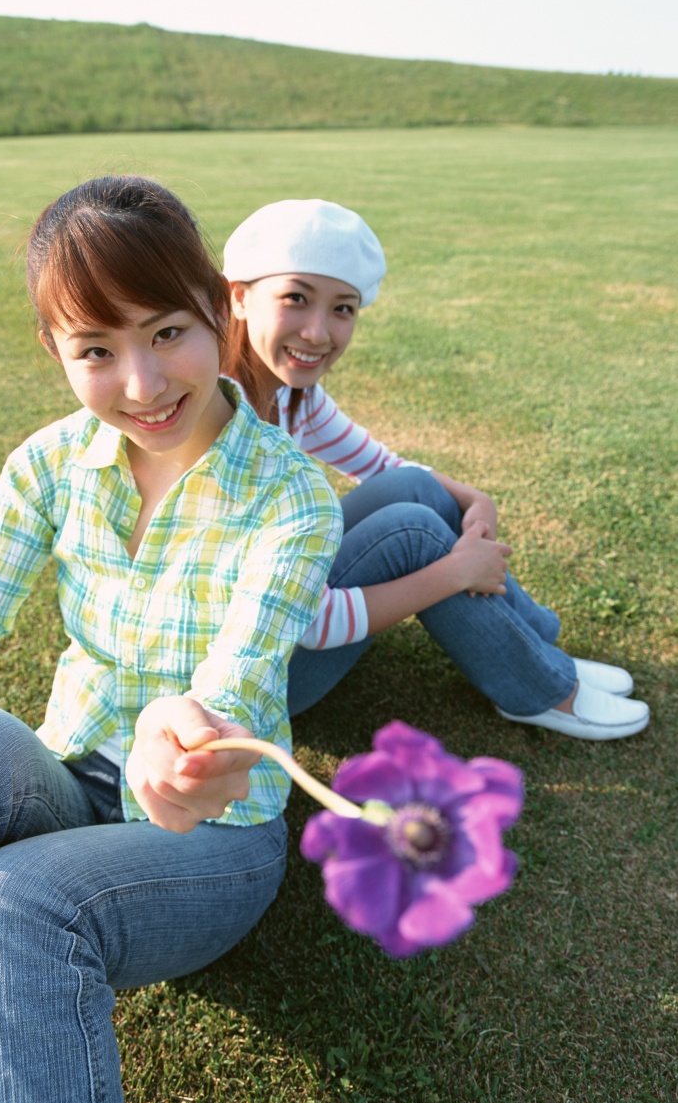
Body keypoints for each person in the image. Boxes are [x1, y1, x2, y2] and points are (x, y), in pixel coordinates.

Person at [0, 177, 341, 1103]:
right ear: (55, 351)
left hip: (214, 837)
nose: (143, 386)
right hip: (69, 782)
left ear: (217, 308)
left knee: (1, 907)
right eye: (97, 351)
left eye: (167, 332)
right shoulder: (47, 463)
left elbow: (240, 668)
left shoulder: (293, 494)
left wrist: (185, 732)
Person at [222, 198, 649, 741]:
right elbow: (313, 625)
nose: (316, 332)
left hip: (277, 632)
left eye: (342, 309)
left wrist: (474, 497)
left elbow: (382, 467)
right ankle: (543, 690)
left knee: (415, 490)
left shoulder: (290, 395)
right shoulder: (223, 420)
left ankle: (538, 649)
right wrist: (454, 572)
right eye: (296, 299)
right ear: (239, 296)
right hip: (248, 683)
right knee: (413, 534)